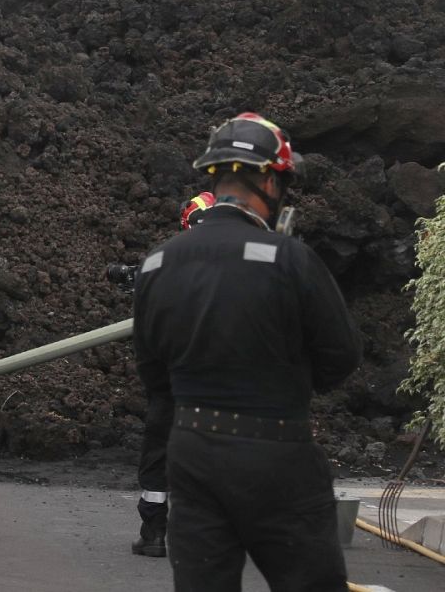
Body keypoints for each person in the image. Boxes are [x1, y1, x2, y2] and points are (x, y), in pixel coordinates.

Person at [133, 113, 362, 590]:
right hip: (275, 452)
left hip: (191, 452)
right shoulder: (289, 259)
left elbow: (152, 371)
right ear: (268, 181)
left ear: (214, 178)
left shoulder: (157, 263)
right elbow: (340, 357)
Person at [132, 189, 216, 559]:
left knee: (159, 453)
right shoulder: (248, 263)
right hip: (223, 387)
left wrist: (156, 386)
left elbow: (146, 334)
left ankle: (154, 534)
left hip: (170, 382)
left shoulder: (161, 263)